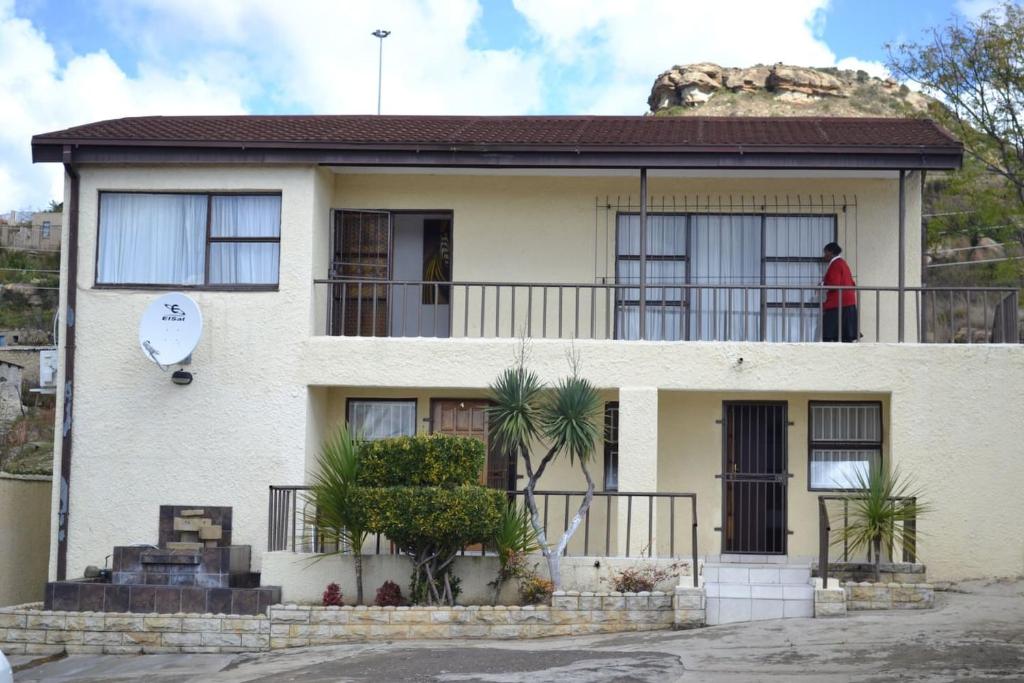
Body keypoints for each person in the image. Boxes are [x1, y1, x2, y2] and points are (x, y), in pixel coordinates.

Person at [821, 242, 858, 342]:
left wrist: (822, 285)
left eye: (825, 253)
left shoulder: (835, 264)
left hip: (838, 303)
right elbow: (852, 283)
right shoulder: (843, 263)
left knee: (828, 334)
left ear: (831, 252)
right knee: (845, 335)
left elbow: (834, 284)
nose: (824, 256)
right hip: (848, 303)